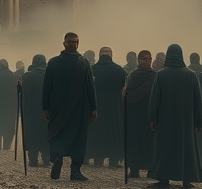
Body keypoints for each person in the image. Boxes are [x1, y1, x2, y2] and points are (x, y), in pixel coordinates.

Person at [148, 44, 202, 189]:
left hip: (165, 119)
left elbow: (155, 99)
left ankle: (163, 178)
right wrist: (199, 122)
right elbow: (198, 101)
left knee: (165, 147)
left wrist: (152, 118)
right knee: (186, 147)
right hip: (186, 120)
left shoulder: (161, 74)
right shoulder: (191, 75)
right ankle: (187, 179)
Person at [43, 33, 97, 181]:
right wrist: (45, 107)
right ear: (64, 43)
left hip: (71, 107)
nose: (73, 44)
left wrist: (93, 107)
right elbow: (47, 87)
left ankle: (63, 162)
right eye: (71, 42)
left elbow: (89, 86)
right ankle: (71, 169)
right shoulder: (82, 62)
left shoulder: (56, 62)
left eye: (75, 42)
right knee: (72, 137)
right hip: (72, 107)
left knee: (62, 134)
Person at [88, 46, 126, 168]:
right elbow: (121, 86)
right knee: (113, 130)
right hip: (114, 104)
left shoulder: (92, 70)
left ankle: (97, 158)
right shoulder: (119, 70)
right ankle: (114, 159)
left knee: (97, 130)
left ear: (99, 55)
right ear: (111, 55)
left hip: (97, 103)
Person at [124, 50, 156, 179]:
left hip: (149, 112)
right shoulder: (133, 75)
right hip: (135, 113)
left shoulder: (155, 75)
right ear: (139, 60)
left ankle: (151, 169)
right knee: (135, 141)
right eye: (144, 58)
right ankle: (134, 169)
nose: (146, 61)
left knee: (150, 142)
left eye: (149, 58)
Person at [22, 54, 50, 168]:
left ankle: (33, 159)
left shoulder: (26, 76)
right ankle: (46, 159)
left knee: (32, 133)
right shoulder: (49, 75)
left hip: (30, 111)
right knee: (46, 133)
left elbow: (23, 94)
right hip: (46, 110)